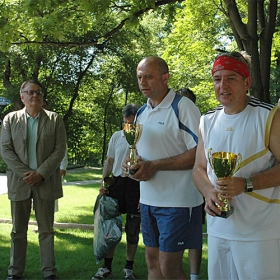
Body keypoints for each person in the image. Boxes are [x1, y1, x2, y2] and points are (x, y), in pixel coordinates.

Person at [192, 51, 280, 279]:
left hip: (260, 231)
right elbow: (199, 168)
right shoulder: (207, 120)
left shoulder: (269, 116)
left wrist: (247, 184)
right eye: (217, 79)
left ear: (246, 82)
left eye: (231, 78)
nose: (223, 85)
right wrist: (209, 191)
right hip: (218, 229)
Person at [125, 56, 204, 280]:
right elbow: (142, 153)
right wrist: (132, 162)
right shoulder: (141, 112)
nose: (143, 82)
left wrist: (155, 166)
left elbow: (200, 153)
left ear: (165, 77)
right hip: (149, 201)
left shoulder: (183, 107)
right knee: (152, 262)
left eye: (148, 77)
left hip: (178, 203)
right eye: (140, 77)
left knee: (169, 267)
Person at [1, 80, 67, 280]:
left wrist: (41, 173)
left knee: (46, 231)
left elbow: (59, 149)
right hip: (19, 183)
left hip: (45, 182)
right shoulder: (10, 120)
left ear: (42, 96)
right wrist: (26, 174)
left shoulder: (55, 120)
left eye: (38, 92)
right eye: (30, 92)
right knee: (18, 231)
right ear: (22, 97)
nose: (34, 95)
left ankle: (49, 273)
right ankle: (15, 273)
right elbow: (5, 150)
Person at [92, 104, 141, 280]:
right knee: (110, 226)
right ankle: (107, 267)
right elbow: (110, 161)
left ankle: (129, 268)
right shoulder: (116, 137)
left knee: (133, 228)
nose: (128, 127)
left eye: (132, 123)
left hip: (136, 185)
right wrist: (103, 184)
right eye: (125, 123)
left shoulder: (143, 136)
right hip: (117, 183)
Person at [176, 88, 203, 280]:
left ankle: (194, 276)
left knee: (194, 237)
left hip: (194, 191)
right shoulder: (169, 117)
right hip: (171, 193)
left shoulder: (201, 122)